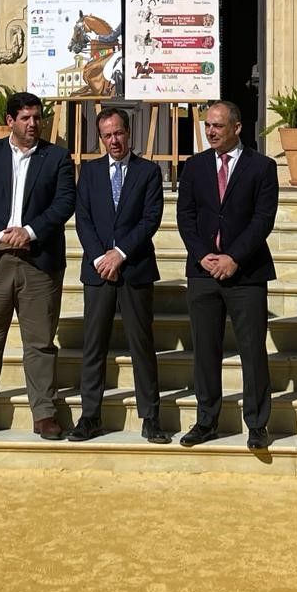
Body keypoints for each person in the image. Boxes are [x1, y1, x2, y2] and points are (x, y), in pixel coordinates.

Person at [0, 90, 76, 441]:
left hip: (38, 262)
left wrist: (30, 232)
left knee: (40, 342)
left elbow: (65, 202)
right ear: (10, 121)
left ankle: (45, 413)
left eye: (37, 117)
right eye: (25, 118)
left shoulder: (57, 158)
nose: (33, 124)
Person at [175, 100, 279, 450]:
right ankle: (206, 421)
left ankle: (257, 424)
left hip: (246, 273)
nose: (211, 132)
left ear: (236, 128)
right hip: (202, 273)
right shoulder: (194, 167)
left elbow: (262, 220)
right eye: (207, 126)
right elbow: (185, 217)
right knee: (206, 350)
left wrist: (233, 258)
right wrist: (203, 256)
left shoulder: (262, 167)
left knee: (252, 350)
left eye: (218, 126)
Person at [69, 107, 170, 445]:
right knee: (94, 345)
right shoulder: (90, 172)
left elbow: (150, 218)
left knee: (142, 344)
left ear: (129, 134)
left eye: (118, 133)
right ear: (101, 138)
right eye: (107, 135)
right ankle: (90, 416)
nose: (114, 140)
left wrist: (120, 253)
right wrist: (101, 257)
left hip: (134, 268)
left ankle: (151, 417)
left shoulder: (148, 172)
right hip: (98, 271)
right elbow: (83, 218)